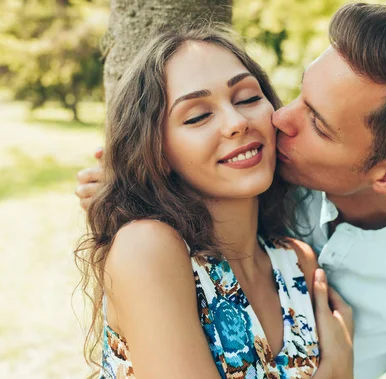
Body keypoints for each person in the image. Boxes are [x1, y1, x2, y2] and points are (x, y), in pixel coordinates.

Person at [76, 3, 386, 379]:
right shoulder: (157, 243)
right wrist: (132, 188)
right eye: (300, 95)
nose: (279, 118)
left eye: (317, 124)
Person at [75, 26, 354, 379]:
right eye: (197, 116)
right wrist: (338, 370)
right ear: (157, 152)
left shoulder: (297, 262)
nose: (237, 122)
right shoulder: (148, 248)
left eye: (248, 98)